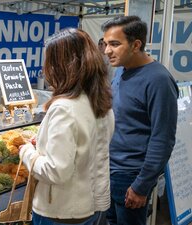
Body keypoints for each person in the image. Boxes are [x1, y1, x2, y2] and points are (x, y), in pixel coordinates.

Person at [19, 28, 114, 225]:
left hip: (60, 212)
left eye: (49, 62)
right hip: (92, 204)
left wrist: (27, 152)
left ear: (61, 66)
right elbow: (88, 149)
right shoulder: (100, 101)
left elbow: (56, 171)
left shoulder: (64, 108)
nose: (45, 70)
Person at [101, 16, 179, 225]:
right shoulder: (121, 71)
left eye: (115, 44)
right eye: (105, 44)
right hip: (110, 171)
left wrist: (141, 185)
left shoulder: (158, 80)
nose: (107, 51)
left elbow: (162, 139)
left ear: (136, 45)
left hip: (131, 178)